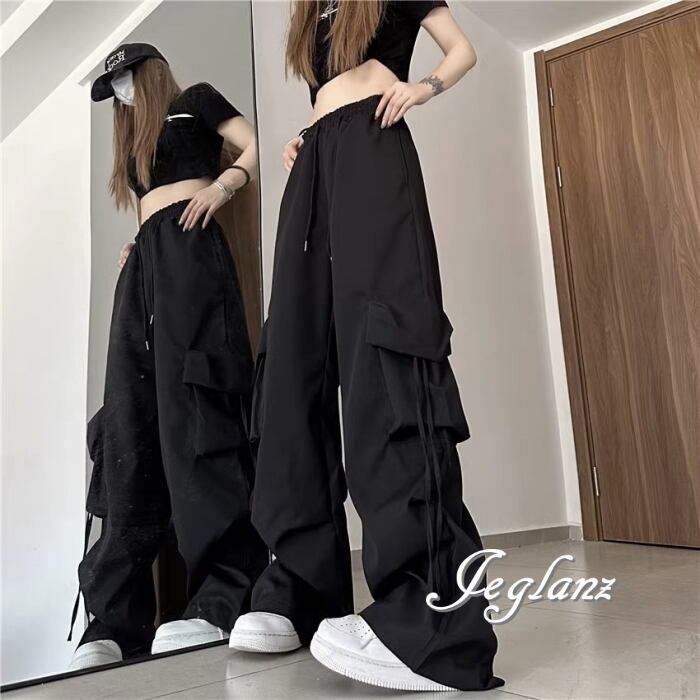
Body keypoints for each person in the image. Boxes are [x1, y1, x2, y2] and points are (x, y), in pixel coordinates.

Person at [229, 1, 503, 692]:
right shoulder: (311, 14)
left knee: (387, 347)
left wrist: (423, 88)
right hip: (315, 163)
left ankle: (435, 619)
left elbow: (462, 50)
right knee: (293, 362)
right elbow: (326, 92)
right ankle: (301, 584)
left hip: (375, 150)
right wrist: (307, 136)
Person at [69, 42, 267, 671]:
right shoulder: (136, 144)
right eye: (113, 88)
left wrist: (226, 186)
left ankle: (222, 596)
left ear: (148, 71)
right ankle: (115, 618)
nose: (122, 94)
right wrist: (140, 244)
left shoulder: (196, 101)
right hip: (147, 265)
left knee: (199, 412)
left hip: (193, 251)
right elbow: (149, 205)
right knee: (127, 419)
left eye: (126, 79)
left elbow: (253, 146)